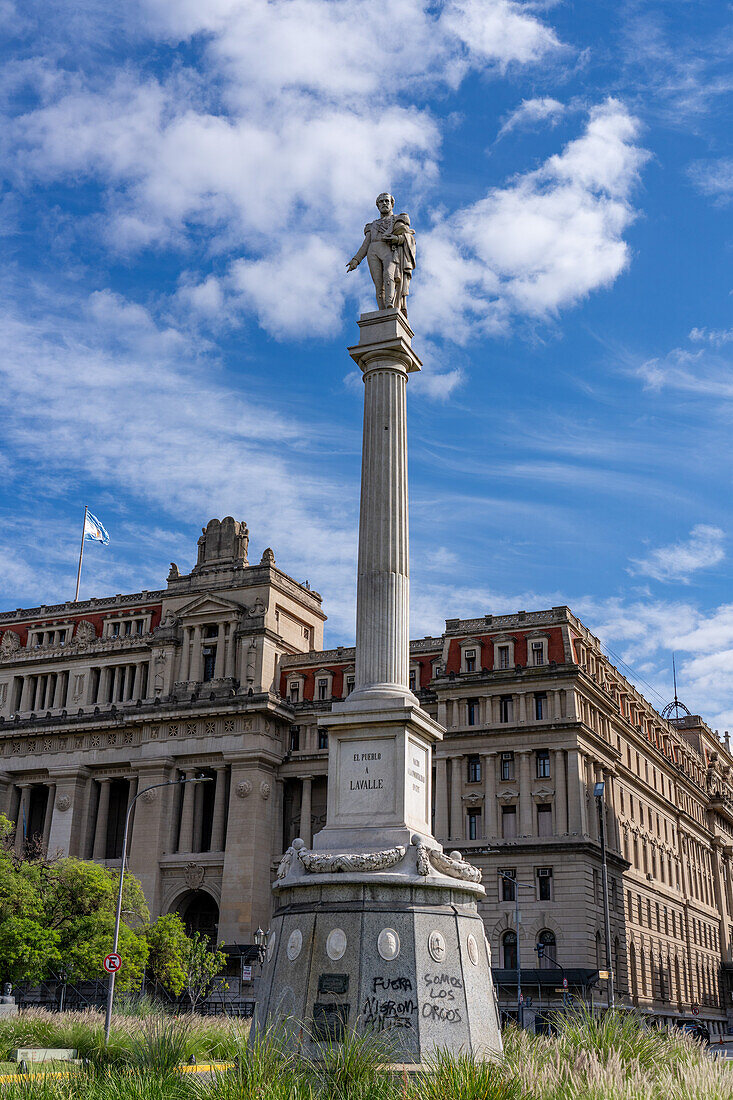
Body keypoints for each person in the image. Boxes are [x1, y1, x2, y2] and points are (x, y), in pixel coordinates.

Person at [347, 193, 416, 313]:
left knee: (389, 275)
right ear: (377, 205)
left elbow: (409, 237)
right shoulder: (372, 225)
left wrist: (396, 239)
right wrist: (356, 260)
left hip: (388, 248)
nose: (384, 203)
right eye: (381, 202)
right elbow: (365, 244)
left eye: (386, 201)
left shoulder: (398, 219)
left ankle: (390, 304)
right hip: (373, 250)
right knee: (378, 284)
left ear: (392, 204)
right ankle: (382, 310)